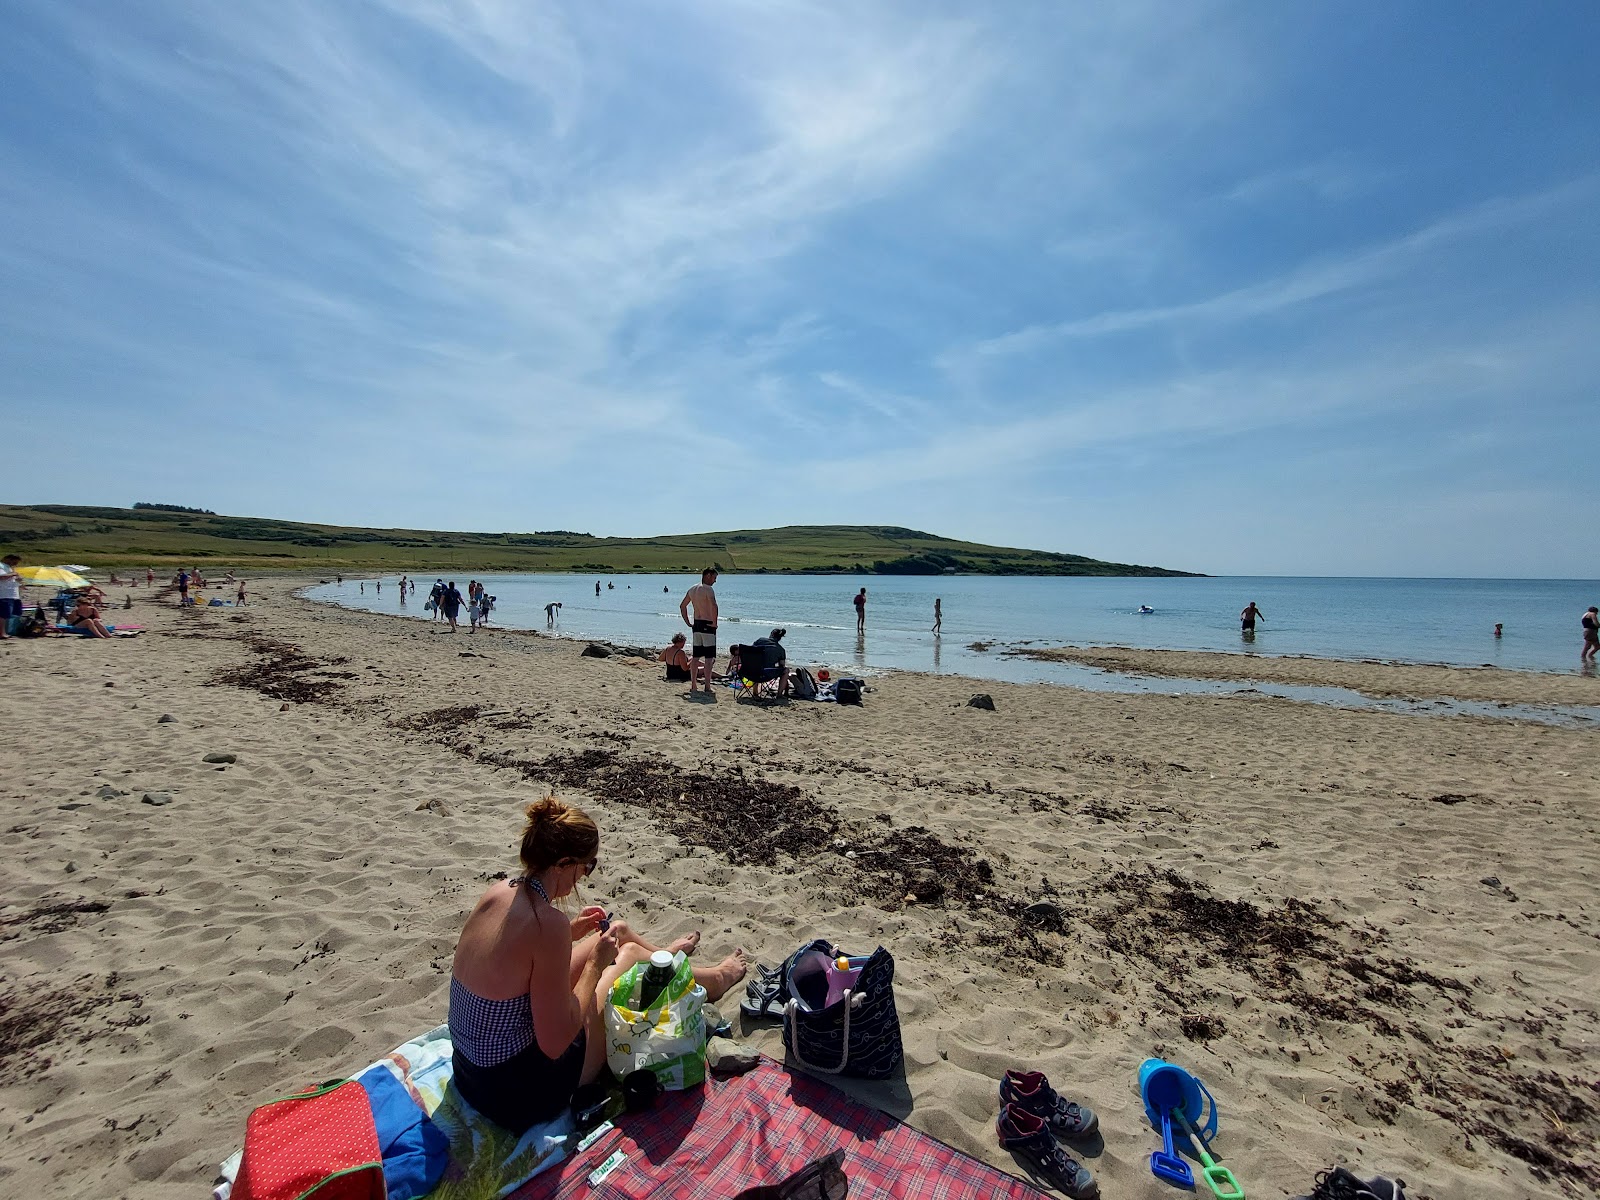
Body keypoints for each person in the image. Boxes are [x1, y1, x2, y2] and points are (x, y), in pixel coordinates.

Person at [448, 797, 746, 1135]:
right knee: (628, 953)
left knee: (617, 931)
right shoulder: (546, 925)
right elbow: (556, 1042)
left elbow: (516, 960)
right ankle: (713, 979)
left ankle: (669, 959)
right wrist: (593, 965)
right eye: (587, 866)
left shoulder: (499, 892)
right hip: (518, 1095)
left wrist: (571, 933)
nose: (585, 876)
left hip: (470, 1073)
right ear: (563, 863)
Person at [679, 568, 719, 693]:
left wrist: (688, 622)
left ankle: (694, 685)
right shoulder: (708, 589)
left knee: (696, 657)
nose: (715, 581)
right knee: (708, 657)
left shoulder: (692, 589)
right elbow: (713, 606)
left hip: (697, 624)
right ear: (707, 575)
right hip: (708, 624)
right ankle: (707, 686)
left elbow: (682, 606)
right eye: (714, 578)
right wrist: (715, 623)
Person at [750, 627, 790, 697]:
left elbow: (750, 652)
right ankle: (779, 694)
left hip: (750, 671)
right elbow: (782, 665)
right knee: (786, 670)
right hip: (767, 674)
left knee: (757, 665)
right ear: (780, 638)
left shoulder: (760, 641)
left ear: (771, 634)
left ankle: (755, 692)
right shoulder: (781, 650)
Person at [0, 553, 21, 639]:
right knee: (3, 615)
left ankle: (6, 631)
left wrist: (18, 580)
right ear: (9, 559)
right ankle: (2, 633)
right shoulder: (1, 566)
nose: (15, 564)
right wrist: (13, 574)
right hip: (4, 594)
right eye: (14, 562)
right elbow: (1, 577)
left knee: (9, 614)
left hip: (11, 594)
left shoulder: (8, 567)